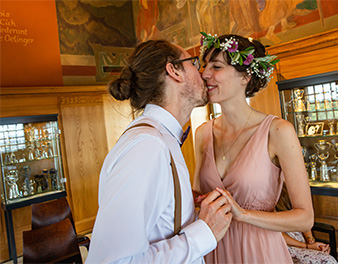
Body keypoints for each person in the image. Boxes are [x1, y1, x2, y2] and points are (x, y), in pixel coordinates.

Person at [85, 40, 233, 263]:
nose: (203, 73)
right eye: (193, 63)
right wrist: (205, 231)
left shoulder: (160, 139)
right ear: (173, 71)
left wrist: (184, 209)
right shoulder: (148, 146)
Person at [193, 32, 314, 263]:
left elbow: (305, 218)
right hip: (213, 249)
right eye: (205, 65)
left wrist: (243, 214)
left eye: (216, 67)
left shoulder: (278, 131)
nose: (205, 74)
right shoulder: (202, 134)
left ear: (245, 77)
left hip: (260, 251)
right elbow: (198, 196)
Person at [276, 185, 338, 264]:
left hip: (301, 243)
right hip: (284, 247)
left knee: (326, 259)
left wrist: (311, 241)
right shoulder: (266, 197)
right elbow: (277, 235)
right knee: (327, 260)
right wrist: (306, 246)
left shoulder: (287, 189)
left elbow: (303, 220)